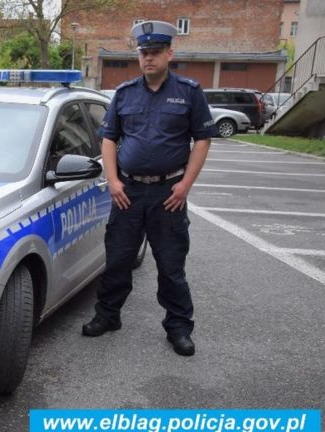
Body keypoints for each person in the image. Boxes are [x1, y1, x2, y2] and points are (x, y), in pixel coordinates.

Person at [82, 20, 217, 356]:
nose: (149, 58)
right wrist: (113, 181)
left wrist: (185, 185)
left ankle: (179, 327)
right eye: (144, 52)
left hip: (167, 194)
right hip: (127, 192)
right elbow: (109, 138)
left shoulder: (189, 92)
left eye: (156, 52)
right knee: (117, 261)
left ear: (170, 53)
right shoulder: (125, 94)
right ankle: (107, 316)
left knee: (171, 265)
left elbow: (202, 139)